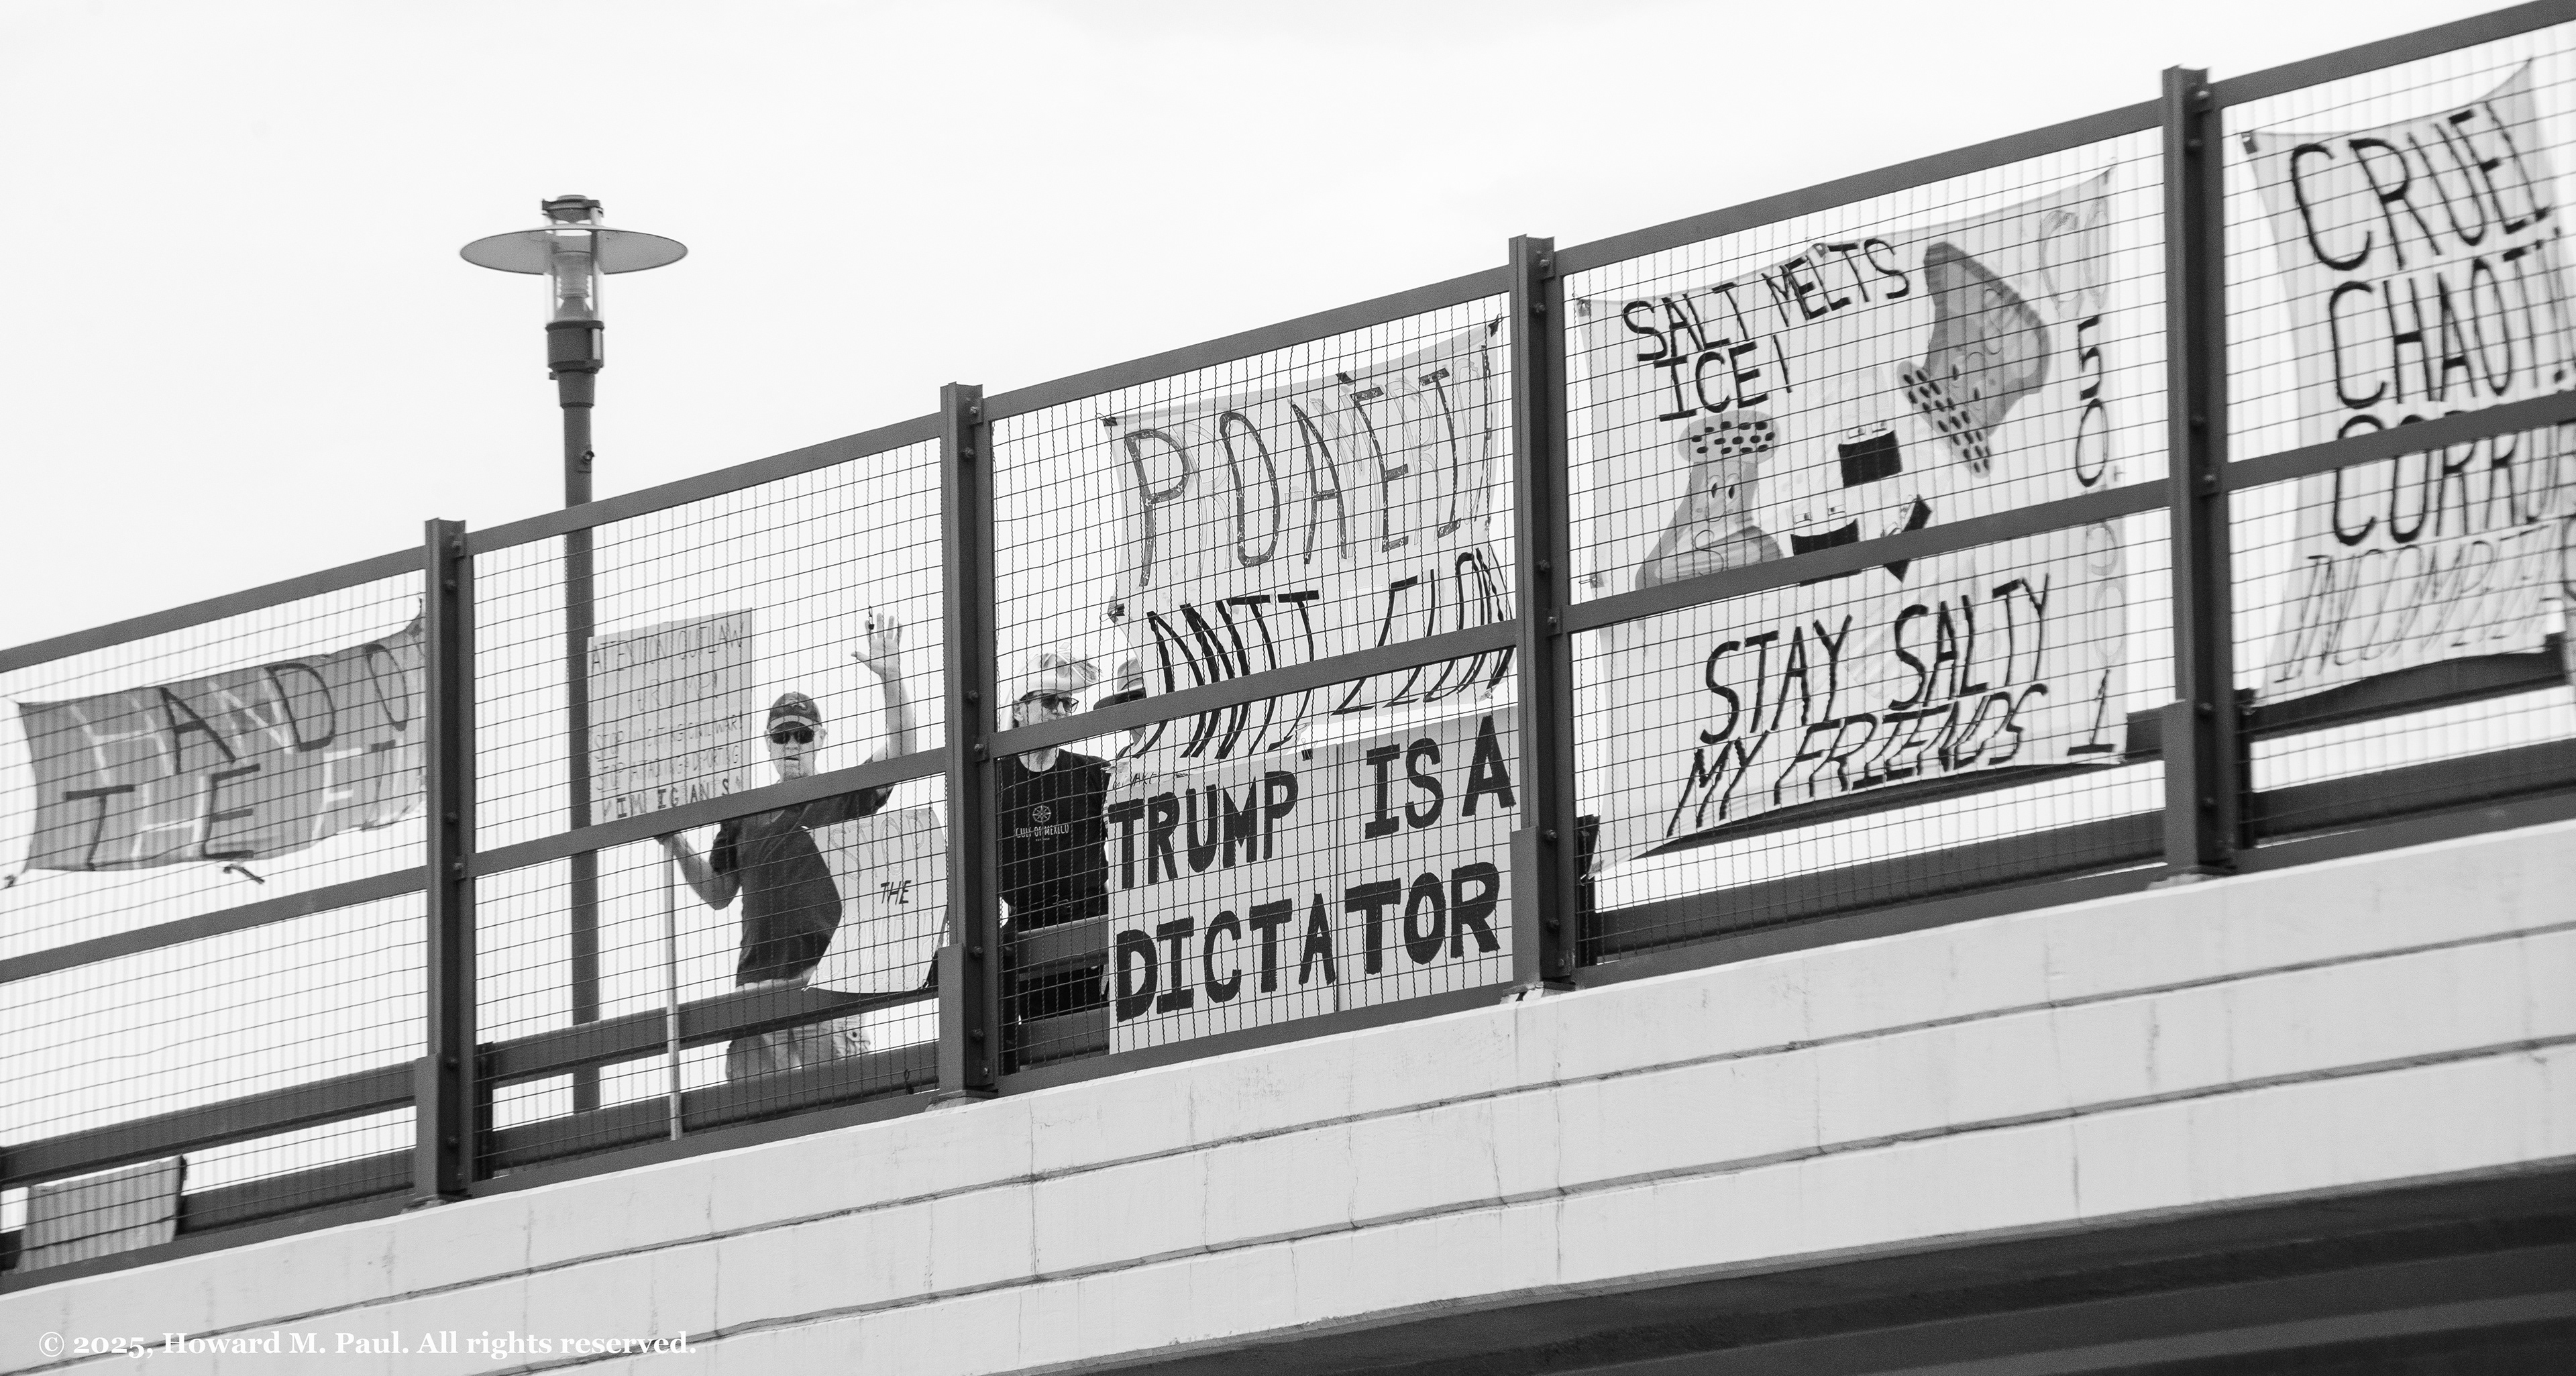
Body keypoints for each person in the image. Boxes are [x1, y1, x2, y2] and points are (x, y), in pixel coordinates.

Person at [659, 613, 915, 1079]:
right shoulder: (744, 812)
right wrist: (677, 842)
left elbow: (902, 753)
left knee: (842, 1104)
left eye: (802, 734)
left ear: (821, 738)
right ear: (768, 743)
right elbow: (718, 892)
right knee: (759, 1117)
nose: (792, 744)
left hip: (827, 983)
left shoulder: (840, 794)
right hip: (757, 993)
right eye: (781, 736)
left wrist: (891, 677)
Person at [996, 653, 1112, 1035]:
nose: (1061, 711)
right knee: (1041, 1048)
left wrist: (1119, 939)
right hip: (1029, 941)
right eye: (1049, 702)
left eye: (1067, 703)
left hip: (1092, 930)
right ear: (1019, 710)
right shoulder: (994, 781)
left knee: (1102, 1043)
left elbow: (1130, 851)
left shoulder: (1093, 773)